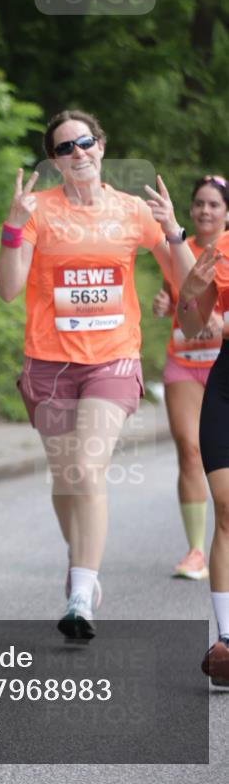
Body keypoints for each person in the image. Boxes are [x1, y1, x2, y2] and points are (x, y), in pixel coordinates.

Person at [0, 109, 195, 640]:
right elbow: (9, 289)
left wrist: (174, 230)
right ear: (55, 161)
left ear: (102, 147)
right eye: (65, 148)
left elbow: (186, 284)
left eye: (85, 142)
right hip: (49, 362)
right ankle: (79, 558)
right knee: (66, 478)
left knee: (86, 467)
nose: (78, 153)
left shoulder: (132, 212)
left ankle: (82, 594)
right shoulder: (37, 210)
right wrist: (13, 229)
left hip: (112, 359)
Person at [152, 175, 229, 579]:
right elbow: (182, 302)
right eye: (199, 203)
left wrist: (223, 322)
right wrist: (165, 305)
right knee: (189, 449)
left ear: (226, 211)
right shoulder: (177, 248)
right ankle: (196, 550)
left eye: (214, 204)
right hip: (184, 360)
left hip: (222, 365)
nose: (204, 211)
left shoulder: (227, 252)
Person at [177, 229, 229, 687]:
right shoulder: (224, 249)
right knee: (227, 507)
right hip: (226, 381)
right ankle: (227, 638)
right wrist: (190, 292)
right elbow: (192, 326)